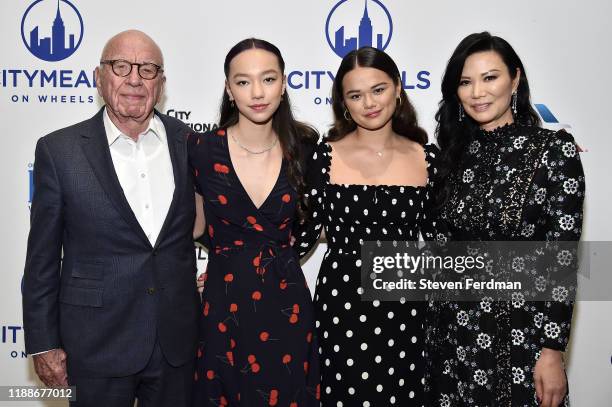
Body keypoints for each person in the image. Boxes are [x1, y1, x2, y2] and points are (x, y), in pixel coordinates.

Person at [23, 30, 200, 407]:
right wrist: (43, 343)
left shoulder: (189, 143)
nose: (135, 79)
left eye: (148, 69)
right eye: (121, 66)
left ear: (162, 83)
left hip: (175, 344)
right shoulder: (59, 151)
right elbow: (41, 259)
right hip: (95, 344)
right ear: (98, 77)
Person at [429, 32, 584, 407]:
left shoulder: (553, 150)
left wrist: (552, 351)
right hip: (453, 335)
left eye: (490, 77)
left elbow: (561, 259)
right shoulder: (450, 157)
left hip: (522, 336)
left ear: (515, 79)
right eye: (465, 82)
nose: (478, 92)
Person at [293, 46, 442, 406]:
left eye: (378, 89)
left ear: (397, 88)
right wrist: (236, 265)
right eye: (355, 95)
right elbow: (300, 238)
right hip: (341, 306)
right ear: (343, 102)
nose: (369, 103)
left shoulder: (428, 157)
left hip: (407, 310)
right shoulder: (323, 156)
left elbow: (443, 244)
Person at [189, 38, 320, 406]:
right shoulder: (200, 149)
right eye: (243, 82)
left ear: (283, 84)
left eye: (268, 79)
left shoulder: (307, 146)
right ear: (229, 89)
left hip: (288, 305)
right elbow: (193, 228)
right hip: (223, 305)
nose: (257, 92)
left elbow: (314, 224)